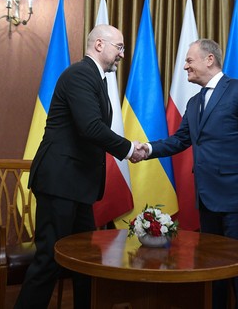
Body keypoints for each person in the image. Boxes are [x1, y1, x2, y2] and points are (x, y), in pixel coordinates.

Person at [14, 24, 148, 309]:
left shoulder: (95, 79)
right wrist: (127, 148)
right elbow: (90, 128)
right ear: (99, 45)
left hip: (78, 187)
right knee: (49, 260)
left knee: (85, 260)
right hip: (60, 183)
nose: (122, 54)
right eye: (119, 47)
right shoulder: (79, 74)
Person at [138, 38, 238, 309]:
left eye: (189, 60)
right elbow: (180, 140)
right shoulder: (193, 102)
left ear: (209, 59)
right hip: (207, 197)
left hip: (237, 198)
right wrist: (147, 149)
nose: (185, 66)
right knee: (213, 266)